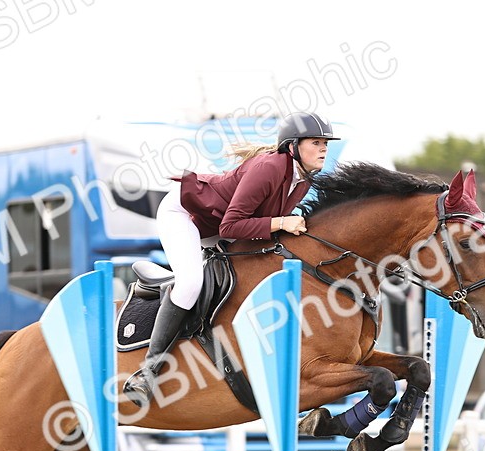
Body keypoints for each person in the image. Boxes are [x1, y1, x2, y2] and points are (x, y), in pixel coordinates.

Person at [122, 111, 340, 406]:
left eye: (325, 142)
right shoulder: (269, 168)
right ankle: (147, 371)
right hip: (185, 214)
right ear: (293, 146)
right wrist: (281, 223)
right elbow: (231, 226)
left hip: (217, 224)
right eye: (316, 142)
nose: (324, 148)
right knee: (189, 284)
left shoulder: (302, 180)